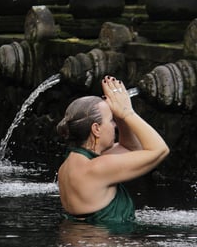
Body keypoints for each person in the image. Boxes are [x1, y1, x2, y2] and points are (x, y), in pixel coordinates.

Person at [57, 75, 169, 225]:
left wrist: (119, 117)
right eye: (111, 121)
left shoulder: (73, 163)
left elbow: (132, 149)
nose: (115, 125)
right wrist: (127, 112)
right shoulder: (98, 168)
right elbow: (160, 150)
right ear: (96, 129)